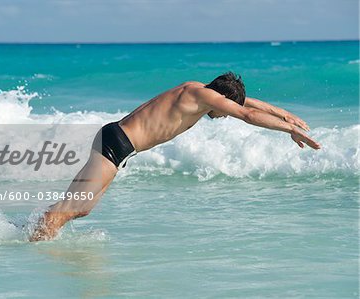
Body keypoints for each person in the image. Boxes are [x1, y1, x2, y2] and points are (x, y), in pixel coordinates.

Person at [30, 72, 321, 241]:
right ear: (221, 99)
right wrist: (288, 131)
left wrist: (283, 114)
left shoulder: (198, 89)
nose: (221, 116)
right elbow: (246, 113)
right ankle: (34, 247)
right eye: (224, 109)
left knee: (82, 208)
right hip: (116, 145)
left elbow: (246, 103)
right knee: (71, 208)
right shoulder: (206, 98)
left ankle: (29, 231)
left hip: (116, 140)